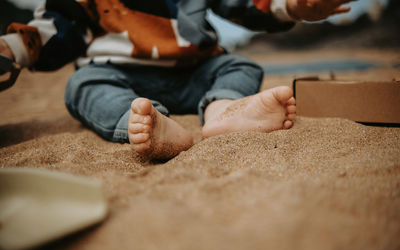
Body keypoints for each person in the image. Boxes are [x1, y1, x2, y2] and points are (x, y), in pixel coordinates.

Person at [0, 0, 355, 159]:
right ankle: (149, 119)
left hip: (195, 71)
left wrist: (291, 6)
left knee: (239, 65)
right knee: (82, 86)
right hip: (117, 72)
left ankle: (221, 110)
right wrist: (12, 47)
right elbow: (56, 27)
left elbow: (247, 4)